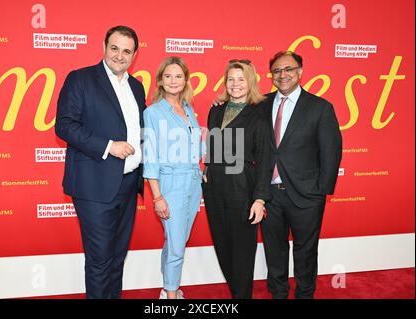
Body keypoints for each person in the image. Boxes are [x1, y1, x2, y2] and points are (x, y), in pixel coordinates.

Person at [55, 26, 146, 299]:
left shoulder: (137, 86)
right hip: (94, 185)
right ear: (104, 46)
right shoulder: (81, 79)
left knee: (117, 258)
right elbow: (65, 126)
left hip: (129, 185)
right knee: (100, 260)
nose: (120, 55)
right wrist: (108, 146)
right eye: (114, 48)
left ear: (134, 55)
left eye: (127, 51)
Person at [261, 51, 342, 299]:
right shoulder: (260, 104)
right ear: (271, 75)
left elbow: (331, 151)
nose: (282, 75)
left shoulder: (320, 107)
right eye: (277, 71)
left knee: (305, 253)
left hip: (307, 195)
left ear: (300, 72)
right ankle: (278, 294)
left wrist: (320, 191)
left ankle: (305, 295)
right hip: (268, 195)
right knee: (274, 252)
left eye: (288, 69)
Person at [202, 59, 271, 298]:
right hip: (213, 189)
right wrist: (207, 168)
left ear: (250, 81)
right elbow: (213, 147)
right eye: (231, 79)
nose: (235, 84)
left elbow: (264, 161)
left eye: (241, 79)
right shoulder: (216, 109)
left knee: (241, 251)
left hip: (242, 187)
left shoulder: (259, 115)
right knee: (223, 247)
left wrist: (260, 199)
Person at [143, 56, 203, 299]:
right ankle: (170, 294)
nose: (173, 81)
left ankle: (169, 285)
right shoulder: (153, 112)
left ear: (186, 80)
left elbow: (196, 148)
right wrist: (157, 196)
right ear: (160, 80)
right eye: (168, 76)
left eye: (178, 76)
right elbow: (150, 156)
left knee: (177, 240)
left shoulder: (189, 109)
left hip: (193, 182)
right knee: (177, 244)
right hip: (170, 184)